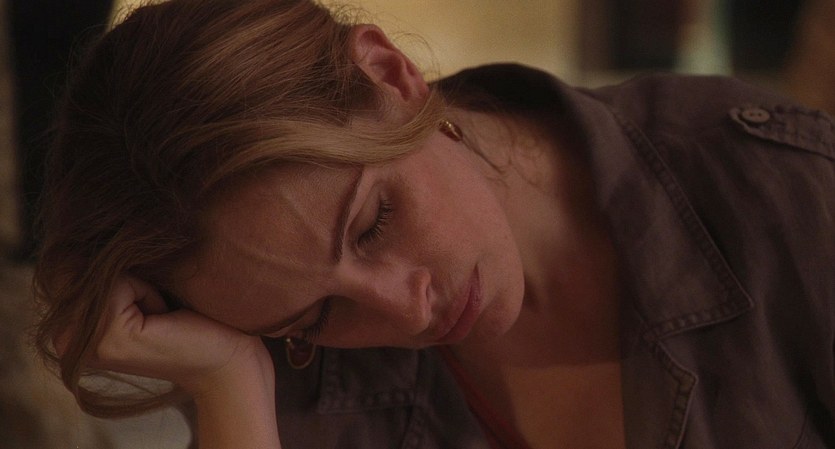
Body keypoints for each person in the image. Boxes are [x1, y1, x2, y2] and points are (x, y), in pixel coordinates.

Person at [33, 0, 835, 448]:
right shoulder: (284, 368)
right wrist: (228, 382)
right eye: (317, 314)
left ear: (390, 75)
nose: (404, 307)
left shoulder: (783, 194)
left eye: (373, 224)